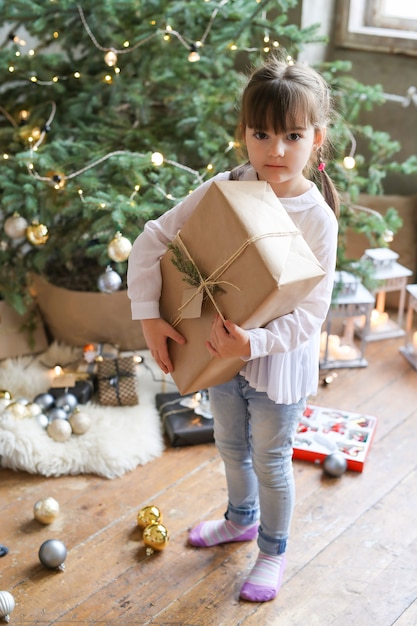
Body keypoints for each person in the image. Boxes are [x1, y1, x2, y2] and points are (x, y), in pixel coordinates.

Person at [127, 56, 339, 603]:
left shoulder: (317, 218)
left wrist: (258, 343)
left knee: (271, 459)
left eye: (292, 135)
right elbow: (153, 240)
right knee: (228, 446)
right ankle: (239, 520)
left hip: (275, 367)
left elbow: (311, 314)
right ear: (243, 133)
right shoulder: (227, 186)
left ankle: (272, 550)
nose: (275, 150)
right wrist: (148, 315)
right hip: (218, 357)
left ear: (316, 138)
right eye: (261, 133)